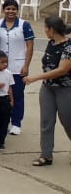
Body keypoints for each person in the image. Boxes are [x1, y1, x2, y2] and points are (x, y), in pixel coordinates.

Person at [23, 16, 71, 167]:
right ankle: (46, 155)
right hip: (48, 88)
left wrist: (35, 77)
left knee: (67, 121)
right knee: (46, 122)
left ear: (52, 29)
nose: (44, 30)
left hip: (65, 88)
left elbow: (62, 70)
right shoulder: (51, 43)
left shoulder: (68, 47)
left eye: (45, 28)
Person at [0, 0, 34, 135]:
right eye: (8, 9)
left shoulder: (24, 25)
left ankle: (16, 122)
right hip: (0, 67)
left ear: (17, 10)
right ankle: (3, 121)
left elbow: (30, 46)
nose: (10, 11)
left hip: (18, 66)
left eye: (13, 9)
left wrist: (26, 65)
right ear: (3, 10)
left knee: (17, 95)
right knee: (1, 95)